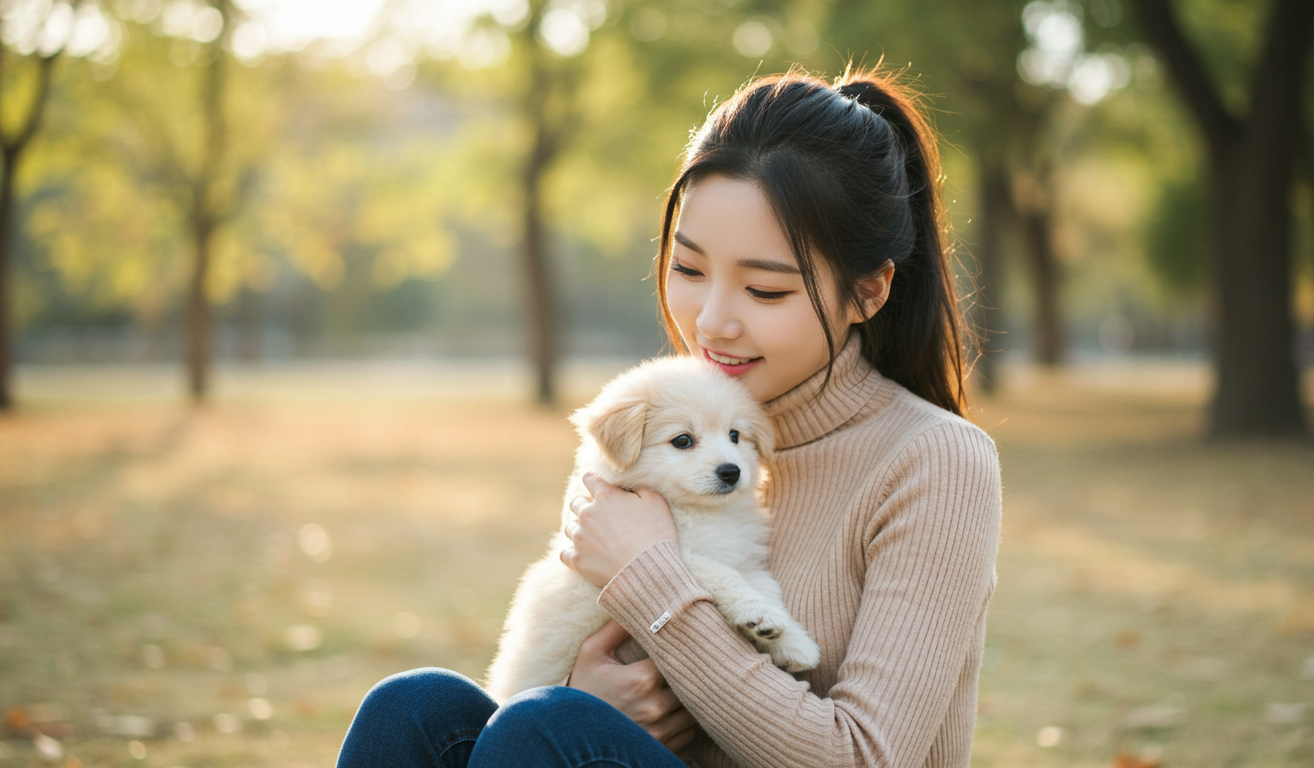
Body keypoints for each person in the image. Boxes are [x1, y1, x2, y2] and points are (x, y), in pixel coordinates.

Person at [336, 64, 1002, 768]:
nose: (712, 322)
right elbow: (579, 655)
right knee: (413, 708)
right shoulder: (663, 426)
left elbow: (864, 757)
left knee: (545, 730)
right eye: (688, 270)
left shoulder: (934, 461)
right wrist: (591, 696)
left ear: (868, 290)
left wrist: (653, 580)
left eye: (765, 289)